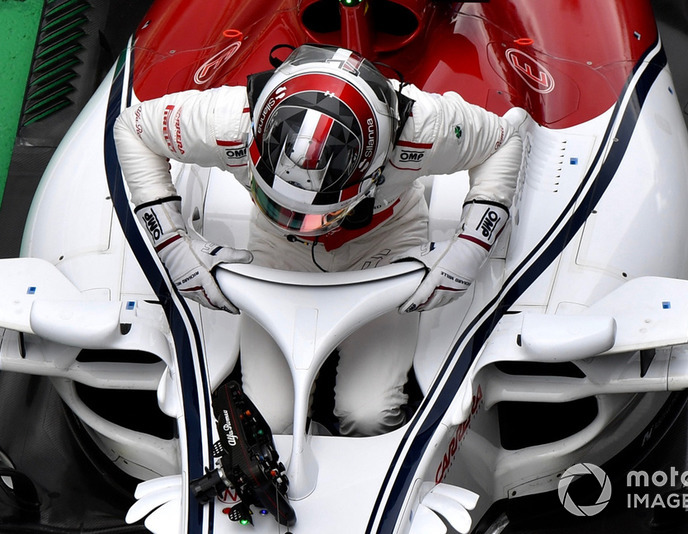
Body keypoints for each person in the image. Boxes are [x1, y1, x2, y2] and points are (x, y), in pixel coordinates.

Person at [114, 44, 523, 435]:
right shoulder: (227, 120)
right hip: (276, 250)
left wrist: (468, 251)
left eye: (315, 213)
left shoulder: (425, 126)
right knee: (270, 416)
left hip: (384, 242)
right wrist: (174, 248)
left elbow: (504, 140)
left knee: (369, 413)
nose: (298, 221)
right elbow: (133, 129)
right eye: (281, 203)